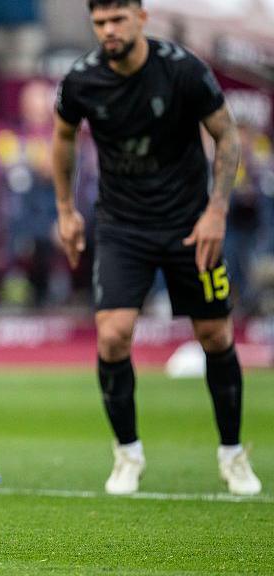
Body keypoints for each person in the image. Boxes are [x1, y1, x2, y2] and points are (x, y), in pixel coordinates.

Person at [53, 0, 261, 496]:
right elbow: (63, 137)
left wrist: (216, 211)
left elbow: (226, 135)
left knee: (214, 335)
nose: (109, 30)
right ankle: (128, 454)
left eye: (118, 19)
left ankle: (232, 455)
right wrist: (65, 208)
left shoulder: (182, 68)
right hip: (123, 225)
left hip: (191, 224)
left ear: (141, 18)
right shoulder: (82, 79)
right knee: (112, 337)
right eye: (100, 22)